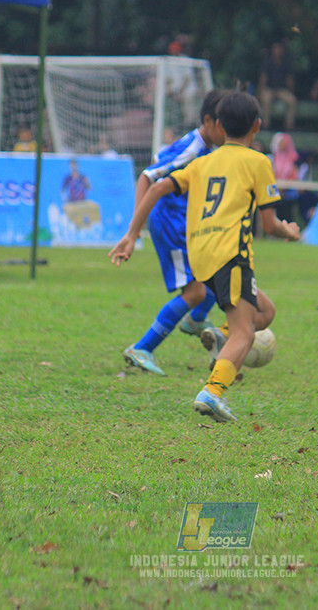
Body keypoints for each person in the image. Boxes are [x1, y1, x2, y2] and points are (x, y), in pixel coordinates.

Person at [109, 91, 301, 422]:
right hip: (231, 255)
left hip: (200, 256)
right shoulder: (258, 162)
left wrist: (131, 235)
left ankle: (220, 339)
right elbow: (269, 225)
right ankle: (212, 392)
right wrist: (291, 231)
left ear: (221, 126)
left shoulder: (202, 162)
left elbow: (155, 187)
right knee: (245, 333)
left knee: (265, 312)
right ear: (257, 126)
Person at [113, 90, 227, 376]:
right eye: (225, 125)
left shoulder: (207, 148)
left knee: (217, 274)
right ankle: (142, 347)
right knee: (194, 291)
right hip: (171, 225)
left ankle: (195, 320)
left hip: (188, 225)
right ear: (209, 121)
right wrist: (133, 231)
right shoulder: (193, 148)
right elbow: (148, 177)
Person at [257, 41, 297, 131]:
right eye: (275, 48)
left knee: (292, 101)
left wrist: (291, 92)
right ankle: (265, 126)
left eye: (279, 48)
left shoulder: (286, 63)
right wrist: (260, 92)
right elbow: (263, 79)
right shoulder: (267, 63)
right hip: (269, 89)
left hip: (281, 90)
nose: (277, 51)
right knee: (266, 100)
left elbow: (289, 80)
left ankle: (289, 126)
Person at [270, 132, 300, 223]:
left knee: (286, 203)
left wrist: (284, 188)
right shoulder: (271, 158)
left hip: (288, 190)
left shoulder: (292, 159)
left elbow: (294, 175)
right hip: (274, 188)